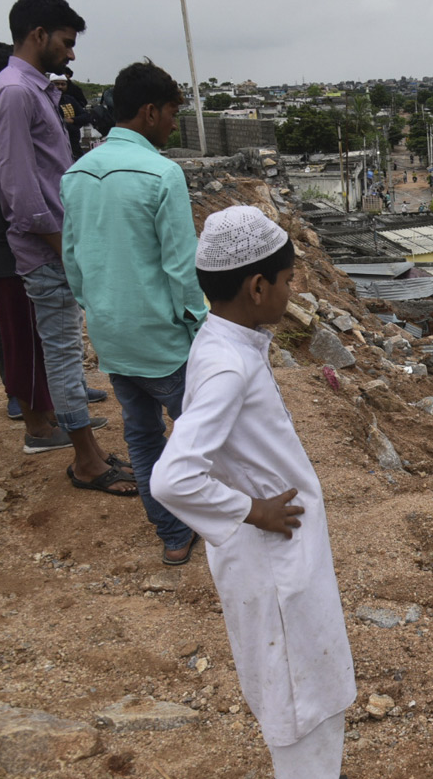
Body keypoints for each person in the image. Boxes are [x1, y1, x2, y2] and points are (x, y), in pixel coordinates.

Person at [151, 206, 354, 777]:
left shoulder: (229, 345)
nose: (293, 291)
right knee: (299, 709)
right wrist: (252, 511)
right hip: (274, 566)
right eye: (288, 280)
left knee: (304, 696)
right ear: (258, 285)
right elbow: (173, 476)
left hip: (281, 562)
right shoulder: (226, 366)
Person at [0, 0, 133, 495]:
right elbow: (21, 194)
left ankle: (88, 452)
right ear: (38, 34)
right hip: (48, 250)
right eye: (67, 43)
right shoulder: (14, 92)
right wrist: (67, 251)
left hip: (56, 246)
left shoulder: (30, 89)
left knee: (65, 350)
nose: (72, 54)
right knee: (64, 353)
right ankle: (88, 463)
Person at [62, 61, 205, 563]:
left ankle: (172, 537)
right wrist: (198, 323)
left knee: (142, 438)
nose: (173, 124)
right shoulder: (162, 174)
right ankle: (216, 523)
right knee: (201, 439)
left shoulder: (76, 175)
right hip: (164, 341)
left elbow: (73, 261)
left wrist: (97, 310)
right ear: (148, 111)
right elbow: (180, 268)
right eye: (170, 113)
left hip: (113, 338)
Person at [0, 39, 70, 455]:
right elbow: (12, 200)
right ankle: (38, 428)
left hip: (9, 248)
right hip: (12, 253)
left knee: (33, 339)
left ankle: (49, 415)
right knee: (22, 342)